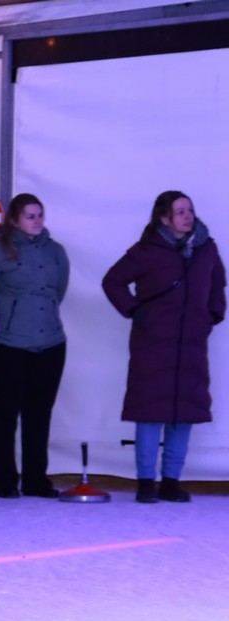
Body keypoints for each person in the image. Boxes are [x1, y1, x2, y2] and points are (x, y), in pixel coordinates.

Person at [103, 190, 226, 503]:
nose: (188, 216)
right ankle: (146, 481)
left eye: (190, 210)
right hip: (153, 344)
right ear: (164, 218)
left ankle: (171, 481)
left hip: (191, 346)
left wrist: (212, 315)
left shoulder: (206, 248)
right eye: (180, 211)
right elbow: (113, 281)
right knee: (150, 413)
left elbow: (218, 283)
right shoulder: (147, 249)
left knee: (183, 414)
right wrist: (135, 311)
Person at [0, 194, 70, 499]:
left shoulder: (56, 252)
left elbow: (58, 291)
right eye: (30, 216)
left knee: (39, 414)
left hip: (50, 344)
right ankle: (4, 480)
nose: (37, 221)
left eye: (40, 214)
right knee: (3, 414)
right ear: (14, 220)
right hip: (6, 345)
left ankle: (35, 480)